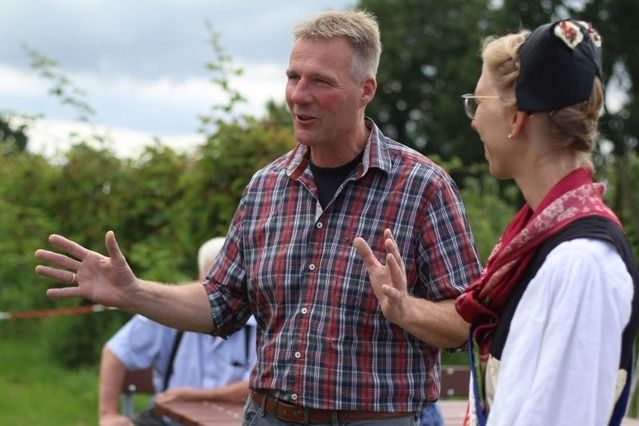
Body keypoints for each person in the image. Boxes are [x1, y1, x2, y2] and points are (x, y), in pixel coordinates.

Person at [35, 10, 482, 425]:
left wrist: (406, 310)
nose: (299, 95)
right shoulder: (266, 187)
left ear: (366, 90)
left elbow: (467, 323)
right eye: (293, 77)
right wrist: (133, 293)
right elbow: (220, 303)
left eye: (320, 81)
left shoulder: (423, 187)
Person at [358, 19, 639, 426]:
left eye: (478, 102)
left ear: (517, 117)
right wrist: (404, 308)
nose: (473, 121)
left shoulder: (578, 261)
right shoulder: (543, 243)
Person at [98, 237, 257, 426]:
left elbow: (257, 388)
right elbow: (116, 350)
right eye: (216, 282)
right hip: (168, 421)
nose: (223, 294)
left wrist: (194, 396)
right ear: (200, 277)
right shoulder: (170, 309)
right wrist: (108, 414)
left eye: (234, 285)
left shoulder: (261, 324)